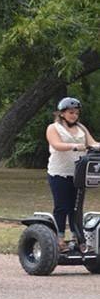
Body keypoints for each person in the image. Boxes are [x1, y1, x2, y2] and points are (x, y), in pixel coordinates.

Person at [46, 97, 99, 252]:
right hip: (59, 173)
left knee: (76, 207)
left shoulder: (81, 128)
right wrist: (75, 146)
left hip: (79, 173)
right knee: (62, 206)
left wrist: (96, 146)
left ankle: (78, 238)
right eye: (70, 113)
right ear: (62, 113)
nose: (74, 116)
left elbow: (92, 143)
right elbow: (56, 145)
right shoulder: (53, 128)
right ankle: (59, 240)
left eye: (76, 113)